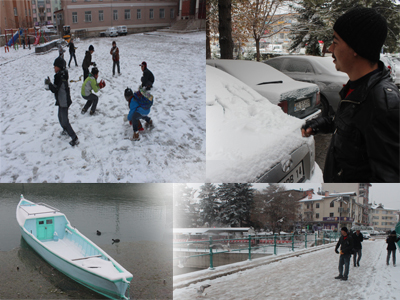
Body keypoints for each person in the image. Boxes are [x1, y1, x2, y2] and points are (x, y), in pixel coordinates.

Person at [301, 7, 400, 183]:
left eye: (336, 42)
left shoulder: (382, 103)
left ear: (357, 47)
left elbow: (389, 179)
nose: (330, 48)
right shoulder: (357, 88)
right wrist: (320, 124)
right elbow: (351, 124)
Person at [45, 57, 79, 146]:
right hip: (62, 100)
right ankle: (65, 130)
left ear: (59, 67)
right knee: (60, 117)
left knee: (64, 120)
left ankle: (74, 138)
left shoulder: (59, 76)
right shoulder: (62, 74)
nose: (54, 68)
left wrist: (49, 84)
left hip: (64, 101)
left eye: (55, 66)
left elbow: (55, 89)